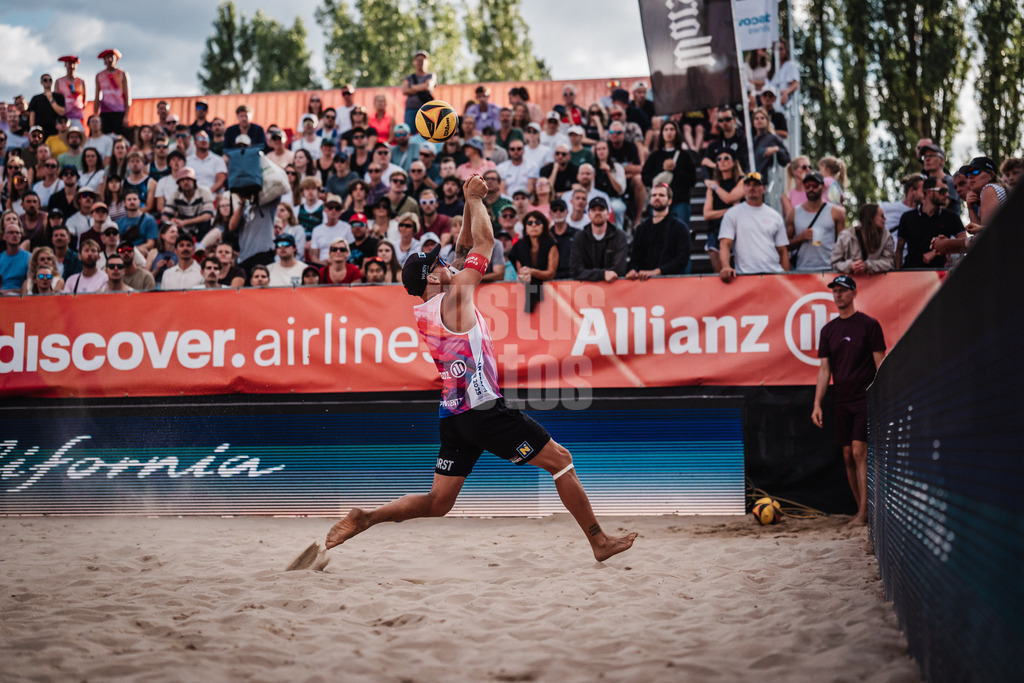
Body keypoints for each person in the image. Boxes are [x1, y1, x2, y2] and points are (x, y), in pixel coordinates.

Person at [324, 174, 637, 562]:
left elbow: (463, 247)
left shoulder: (428, 307)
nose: (445, 262)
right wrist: (475, 198)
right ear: (433, 277)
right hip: (485, 410)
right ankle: (599, 541)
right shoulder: (454, 298)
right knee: (562, 461)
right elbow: (486, 243)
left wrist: (465, 210)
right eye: (438, 263)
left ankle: (366, 517)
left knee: (439, 502)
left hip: (454, 416)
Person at [812, 275, 886, 526]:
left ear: (854, 293)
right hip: (841, 400)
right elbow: (824, 370)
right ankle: (860, 511)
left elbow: (881, 365)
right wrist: (817, 404)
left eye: (843, 290)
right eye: (835, 290)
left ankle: (865, 512)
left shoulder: (869, 325)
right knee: (846, 454)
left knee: (858, 450)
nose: (838, 294)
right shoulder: (828, 330)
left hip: (865, 398)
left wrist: (882, 397)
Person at [719, 172, 791, 282]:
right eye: (748, 184)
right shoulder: (732, 214)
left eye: (756, 184)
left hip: (774, 274)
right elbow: (725, 243)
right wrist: (725, 266)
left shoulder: (775, 216)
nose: (751, 187)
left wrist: (787, 277)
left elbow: (782, 250)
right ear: (744, 188)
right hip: (745, 276)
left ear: (764, 189)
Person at [895, 177, 965, 269]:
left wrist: (939, 249)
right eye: (942, 191)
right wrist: (898, 275)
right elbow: (899, 250)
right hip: (910, 274)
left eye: (947, 191)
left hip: (938, 277)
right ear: (929, 192)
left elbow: (965, 242)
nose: (947, 194)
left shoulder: (952, 218)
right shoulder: (907, 217)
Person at [626, 183, 691, 280]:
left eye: (661, 195)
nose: (657, 197)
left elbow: (682, 259)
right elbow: (635, 259)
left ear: (669, 201)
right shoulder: (641, 229)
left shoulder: (680, 228)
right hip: (645, 284)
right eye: (654, 195)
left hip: (672, 283)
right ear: (650, 199)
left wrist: (658, 271)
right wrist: (633, 270)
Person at [786, 171, 846, 272]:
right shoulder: (793, 213)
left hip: (829, 269)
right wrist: (800, 238)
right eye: (807, 185)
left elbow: (843, 244)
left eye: (814, 185)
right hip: (802, 270)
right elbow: (784, 246)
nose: (810, 189)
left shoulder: (836, 212)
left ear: (823, 187)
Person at [641, 121, 696, 226]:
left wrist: (675, 170)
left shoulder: (685, 156)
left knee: (681, 233)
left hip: (680, 201)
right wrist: (662, 169)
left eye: (672, 129)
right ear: (662, 133)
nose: (669, 132)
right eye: (666, 130)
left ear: (677, 132)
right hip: (659, 202)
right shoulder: (655, 156)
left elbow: (692, 180)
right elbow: (645, 178)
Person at [508, 210, 559, 312]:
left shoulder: (551, 244)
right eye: (530, 223)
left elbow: (551, 273)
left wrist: (531, 271)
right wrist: (523, 274)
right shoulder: (519, 246)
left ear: (543, 226)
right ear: (525, 228)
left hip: (551, 293)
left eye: (538, 222)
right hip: (524, 292)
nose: (534, 225)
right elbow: (520, 271)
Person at [569, 197, 628, 282]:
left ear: (608, 214)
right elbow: (576, 271)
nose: (597, 213)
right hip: (586, 289)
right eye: (593, 210)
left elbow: (619, 269)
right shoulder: (580, 237)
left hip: (613, 287)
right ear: (588, 215)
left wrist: (592, 274)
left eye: (601, 209)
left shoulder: (619, 236)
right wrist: (603, 274)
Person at [831, 203, 895, 274]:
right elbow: (835, 263)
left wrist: (867, 266)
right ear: (871, 218)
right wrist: (850, 266)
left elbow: (889, 262)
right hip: (851, 282)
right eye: (882, 216)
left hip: (878, 283)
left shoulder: (886, 236)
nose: (885, 218)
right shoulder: (845, 236)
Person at [964, 156, 1009, 234]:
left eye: (975, 171)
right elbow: (979, 232)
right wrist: (970, 208)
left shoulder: (989, 189)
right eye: (968, 173)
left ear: (990, 175)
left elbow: (985, 238)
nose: (970, 176)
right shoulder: (985, 193)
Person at [94, 49, 130, 136]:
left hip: (119, 111)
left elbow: (127, 96)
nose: (109, 60)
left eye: (112, 57)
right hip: (105, 111)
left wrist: (126, 115)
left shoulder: (122, 74)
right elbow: (97, 96)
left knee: (121, 137)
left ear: (116, 59)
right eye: (107, 57)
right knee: (105, 136)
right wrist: (95, 114)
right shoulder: (99, 75)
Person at [401, 50, 436, 130]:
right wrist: (421, 87)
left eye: (423, 60)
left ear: (427, 62)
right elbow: (404, 90)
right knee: (410, 132)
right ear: (415, 62)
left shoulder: (431, 75)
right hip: (411, 110)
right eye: (418, 60)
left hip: (426, 110)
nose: (420, 62)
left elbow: (427, 86)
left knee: (427, 132)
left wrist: (413, 87)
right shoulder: (409, 77)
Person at [27, 74, 66, 139]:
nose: (48, 81)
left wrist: (51, 99)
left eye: (50, 80)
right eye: (45, 80)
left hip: (55, 133)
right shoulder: (35, 98)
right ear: (41, 82)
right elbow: (32, 117)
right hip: (40, 134)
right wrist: (32, 131)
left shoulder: (59, 97)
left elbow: (62, 112)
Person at [1, 212, 30, 294]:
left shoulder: (29, 258)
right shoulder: (0, 258)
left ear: (21, 236)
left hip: (22, 298)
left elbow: (30, 287)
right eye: (11, 232)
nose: (15, 235)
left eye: (17, 233)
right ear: (4, 236)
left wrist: (6, 292)